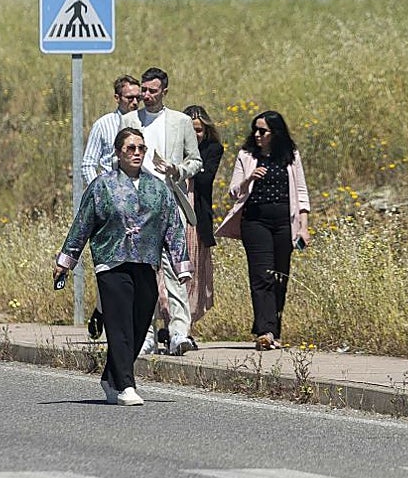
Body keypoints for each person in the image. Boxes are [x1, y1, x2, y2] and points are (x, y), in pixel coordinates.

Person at [54, 128, 192, 406]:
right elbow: (83, 224)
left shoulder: (157, 188)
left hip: (145, 263)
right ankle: (127, 386)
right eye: (131, 148)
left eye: (141, 148)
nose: (137, 153)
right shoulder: (102, 185)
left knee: (139, 327)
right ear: (118, 153)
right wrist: (66, 261)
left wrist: (181, 265)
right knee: (119, 327)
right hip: (111, 263)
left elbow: (173, 227)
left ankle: (110, 378)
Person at [120, 67, 202, 356]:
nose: (146, 95)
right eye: (144, 90)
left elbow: (196, 160)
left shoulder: (180, 121)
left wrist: (177, 170)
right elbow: (118, 155)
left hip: (169, 203)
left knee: (175, 269)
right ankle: (146, 334)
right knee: (142, 272)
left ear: (164, 91)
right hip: (138, 206)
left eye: (152, 91)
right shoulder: (130, 120)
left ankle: (180, 332)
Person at [216, 110, 310, 351]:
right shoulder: (246, 156)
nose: (257, 135)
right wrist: (250, 178)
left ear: (275, 133)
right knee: (261, 276)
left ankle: (275, 330)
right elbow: (234, 192)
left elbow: (301, 193)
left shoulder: (291, 156)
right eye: (255, 130)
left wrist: (304, 227)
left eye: (263, 131)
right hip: (255, 221)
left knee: (280, 276)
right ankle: (264, 331)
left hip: (284, 223)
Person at [80, 74, 143, 339]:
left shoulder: (144, 124)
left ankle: (120, 315)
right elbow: (87, 163)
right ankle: (104, 309)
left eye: (138, 97)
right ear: (117, 98)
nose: (135, 102)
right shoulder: (104, 125)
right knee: (110, 264)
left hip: (139, 205)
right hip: (111, 206)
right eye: (130, 97)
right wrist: (101, 194)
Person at [182, 105, 224, 326]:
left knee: (194, 271)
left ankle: (185, 324)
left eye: (197, 131)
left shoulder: (212, 149)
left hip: (197, 216)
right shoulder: (173, 148)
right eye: (189, 130)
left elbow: (205, 179)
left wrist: (186, 166)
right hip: (175, 214)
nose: (194, 135)